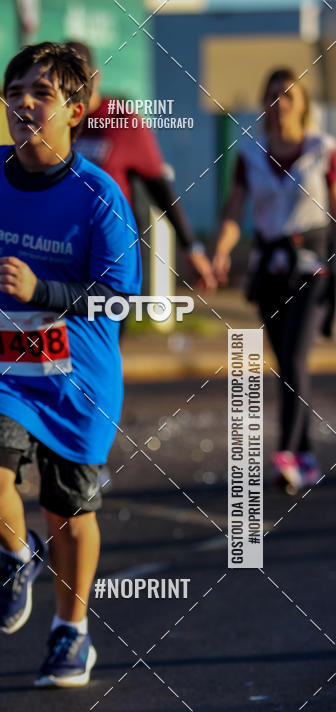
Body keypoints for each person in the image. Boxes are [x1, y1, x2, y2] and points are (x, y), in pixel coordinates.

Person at [0, 42, 141, 687]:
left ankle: (71, 631)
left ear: (75, 111)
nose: (24, 103)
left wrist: (42, 292)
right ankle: (18, 554)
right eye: (15, 91)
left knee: (68, 515)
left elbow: (119, 298)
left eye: (41, 93)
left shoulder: (99, 196)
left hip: (76, 381)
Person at [213, 68, 336, 492]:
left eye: (288, 95)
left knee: (297, 358)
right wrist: (221, 250)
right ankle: (306, 455)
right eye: (271, 95)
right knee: (285, 363)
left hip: (313, 268)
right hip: (269, 271)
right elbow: (234, 210)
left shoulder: (323, 150)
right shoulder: (249, 155)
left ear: (303, 105)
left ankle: (288, 454)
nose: (279, 103)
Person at [68, 41, 215, 293]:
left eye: (79, 76)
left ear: (95, 76)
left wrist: (191, 247)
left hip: (110, 248)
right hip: (64, 245)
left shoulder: (122, 120)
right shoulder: (56, 123)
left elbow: (160, 188)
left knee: (103, 317)